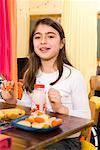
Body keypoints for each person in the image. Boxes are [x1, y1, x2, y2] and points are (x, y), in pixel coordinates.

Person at [1, 18, 91, 150]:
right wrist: (11, 100)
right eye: (38, 37)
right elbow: (27, 107)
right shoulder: (30, 74)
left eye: (50, 36)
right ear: (33, 44)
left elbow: (86, 118)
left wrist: (61, 109)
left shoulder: (73, 76)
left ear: (62, 43)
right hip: (33, 137)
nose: (43, 41)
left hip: (63, 140)